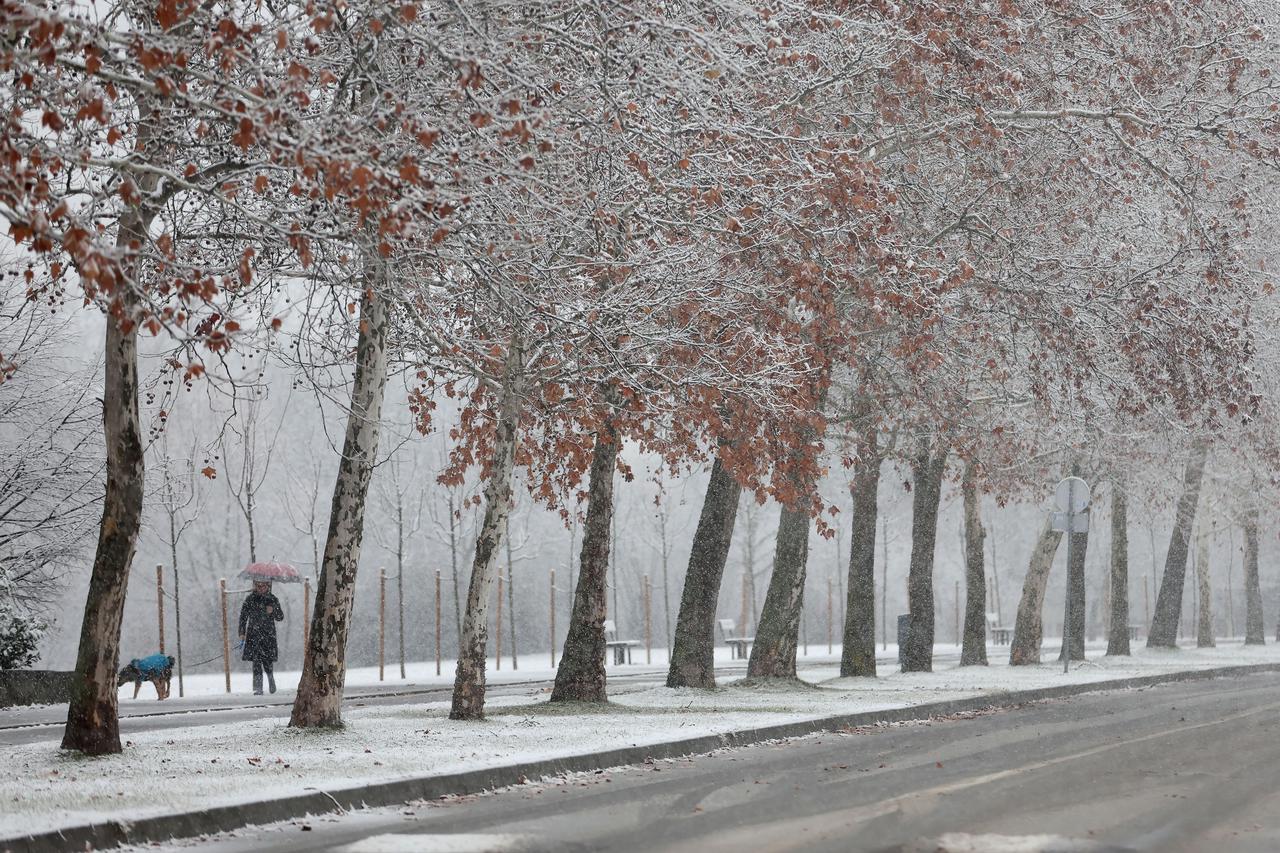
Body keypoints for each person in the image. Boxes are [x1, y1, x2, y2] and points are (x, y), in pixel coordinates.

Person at [238, 579, 284, 695]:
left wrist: (273, 611)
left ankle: (271, 679)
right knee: (256, 661)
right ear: (255, 586)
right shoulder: (250, 599)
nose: (261, 588)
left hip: (268, 635)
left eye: (263, 586)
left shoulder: (273, 599)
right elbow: (243, 617)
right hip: (253, 635)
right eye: (258, 586)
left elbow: (280, 617)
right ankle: (258, 688)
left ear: (268, 586)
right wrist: (242, 633)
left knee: (268, 661)